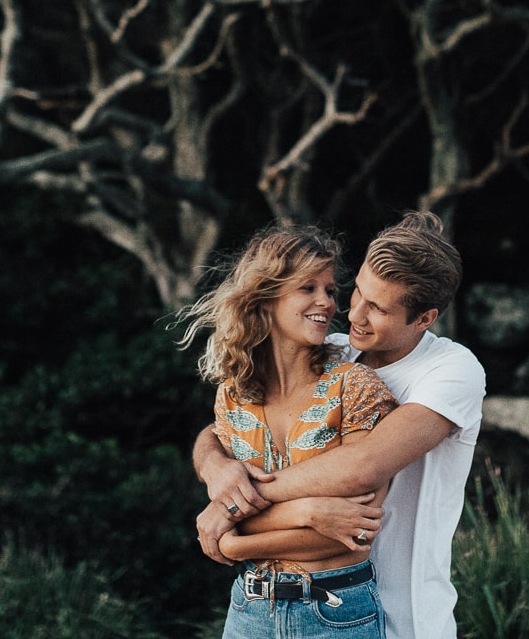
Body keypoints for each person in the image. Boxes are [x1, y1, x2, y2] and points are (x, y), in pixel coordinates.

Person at [193, 211, 487, 639]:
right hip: (263, 604)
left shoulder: (452, 371)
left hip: (400, 617)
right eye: (358, 293)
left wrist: (233, 508)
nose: (354, 316)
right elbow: (218, 431)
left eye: (378, 308)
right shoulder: (329, 351)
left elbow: (362, 467)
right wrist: (216, 468)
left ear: (424, 319)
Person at [178, 222, 398, 637]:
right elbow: (223, 493)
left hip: (336, 614)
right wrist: (308, 513)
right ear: (265, 298)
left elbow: (355, 531)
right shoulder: (233, 396)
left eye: (330, 290)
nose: (327, 302)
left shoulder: (355, 387)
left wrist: (234, 543)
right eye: (308, 288)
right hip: (248, 613)